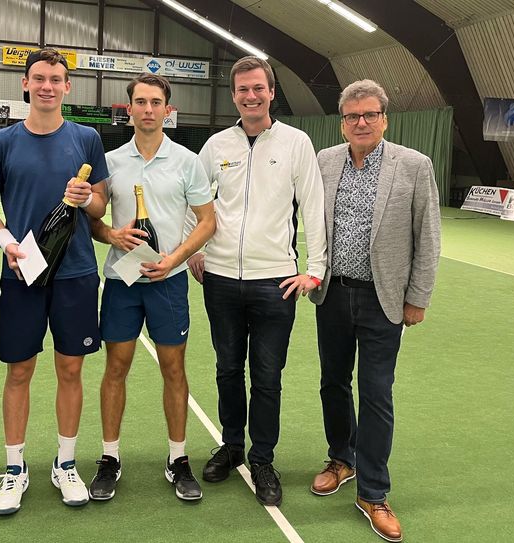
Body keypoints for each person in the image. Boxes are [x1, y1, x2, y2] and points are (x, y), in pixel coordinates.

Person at [187, 56, 327, 506]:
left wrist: (315, 269)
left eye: (259, 88)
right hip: (221, 280)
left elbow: (314, 205)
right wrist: (196, 249)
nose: (251, 96)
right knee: (227, 369)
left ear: (271, 92)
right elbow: (194, 199)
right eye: (243, 89)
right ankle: (231, 447)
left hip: (277, 283)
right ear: (234, 96)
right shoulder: (216, 145)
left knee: (267, 377)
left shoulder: (296, 143)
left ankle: (262, 459)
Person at [0, 48, 109, 514]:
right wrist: (5, 242)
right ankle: (14, 470)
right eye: (40, 78)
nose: (48, 86)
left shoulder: (87, 138)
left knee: (71, 369)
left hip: (75, 273)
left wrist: (86, 196)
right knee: (20, 370)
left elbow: (100, 208)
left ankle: (66, 463)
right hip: (23, 271)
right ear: (26, 85)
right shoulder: (2, 142)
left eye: (57, 78)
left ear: (67, 87)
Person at [308, 79, 441, 543]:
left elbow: (428, 236)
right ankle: (341, 459)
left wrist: (417, 297)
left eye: (369, 115)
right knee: (332, 382)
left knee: (376, 393)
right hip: (331, 294)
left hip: (384, 298)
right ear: (342, 121)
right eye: (352, 116)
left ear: (385, 118)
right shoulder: (324, 162)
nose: (360, 123)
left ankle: (373, 492)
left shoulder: (413, 165)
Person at [87, 73, 215, 502]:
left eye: (155, 102)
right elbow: (94, 221)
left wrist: (174, 259)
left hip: (169, 282)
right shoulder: (110, 161)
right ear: (130, 109)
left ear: (167, 110)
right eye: (139, 102)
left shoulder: (187, 160)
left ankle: (178, 459)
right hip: (122, 280)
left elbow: (208, 221)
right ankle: (109, 458)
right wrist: (111, 235)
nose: (147, 109)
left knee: (173, 369)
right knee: (115, 368)